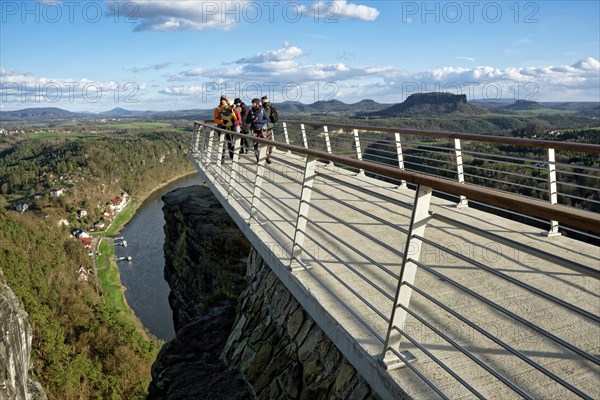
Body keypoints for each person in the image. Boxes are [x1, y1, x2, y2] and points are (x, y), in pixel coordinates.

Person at [247, 98, 270, 163]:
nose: (252, 104)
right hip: (254, 130)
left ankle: (266, 156)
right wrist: (252, 119)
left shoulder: (262, 110)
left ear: (257, 103)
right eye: (252, 103)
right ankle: (258, 159)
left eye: (253, 103)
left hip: (262, 130)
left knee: (266, 144)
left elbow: (267, 120)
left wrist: (259, 121)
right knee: (255, 145)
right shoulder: (250, 111)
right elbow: (247, 121)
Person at [261, 95, 276, 162]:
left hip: (266, 126)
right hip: (270, 126)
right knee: (269, 140)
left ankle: (266, 155)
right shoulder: (270, 106)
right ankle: (268, 154)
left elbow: (265, 117)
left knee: (266, 141)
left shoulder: (266, 107)